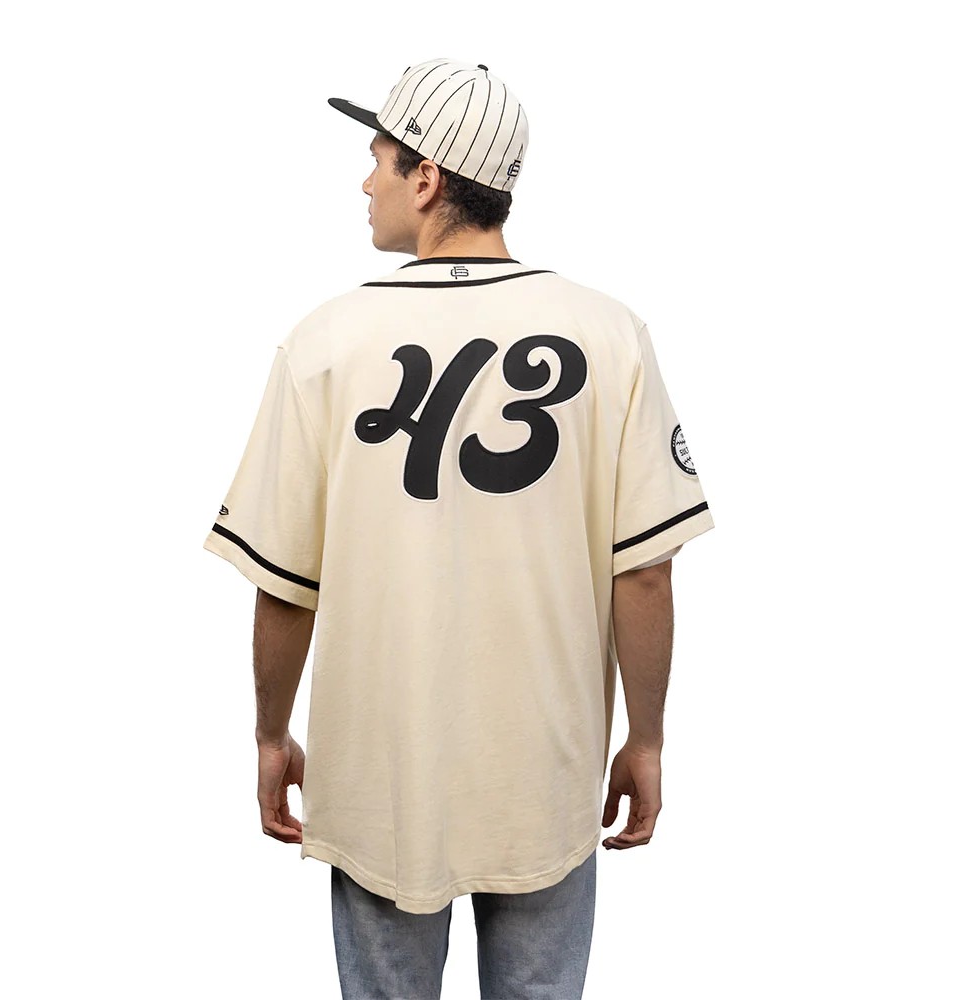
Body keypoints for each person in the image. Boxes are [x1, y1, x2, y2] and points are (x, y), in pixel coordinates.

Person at [203, 57, 714, 1000]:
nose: (365, 181)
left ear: (427, 178)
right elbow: (645, 572)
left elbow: (286, 584)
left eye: (378, 160)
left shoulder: (325, 340)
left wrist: (271, 732)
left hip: (379, 777)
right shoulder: (610, 333)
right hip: (546, 774)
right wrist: (645, 740)